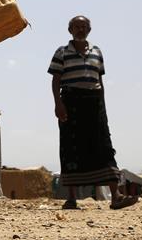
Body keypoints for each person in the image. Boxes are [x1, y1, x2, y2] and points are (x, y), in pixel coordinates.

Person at [49, 16, 136, 210]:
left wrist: (102, 108)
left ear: (89, 30)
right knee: (70, 147)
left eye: (84, 27)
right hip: (71, 103)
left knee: (104, 147)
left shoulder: (97, 52)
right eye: (77, 26)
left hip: (94, 104)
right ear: (70, 29)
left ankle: (116, 197)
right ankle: (71, 199)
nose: (80, 29)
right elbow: (55, 81)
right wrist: (58, 104)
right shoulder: (61, 52)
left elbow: (100, 81)